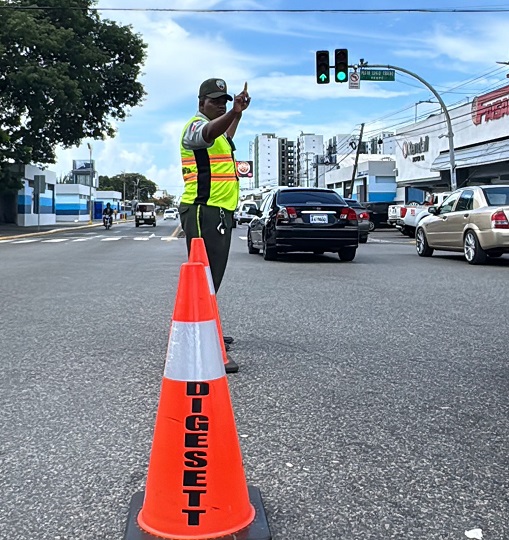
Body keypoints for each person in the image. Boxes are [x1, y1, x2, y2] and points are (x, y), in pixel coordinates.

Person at [179, 78, 250, 347]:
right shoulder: (195, 127)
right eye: (215, 101)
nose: (221, 105)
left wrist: (237, 115)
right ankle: (200, 340)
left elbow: (224, 134)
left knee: (211, 278)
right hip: (203, 210)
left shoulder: (219, 134)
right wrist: (233, 112)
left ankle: (207, 329)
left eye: (224, 101)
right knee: (202, 277)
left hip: (219, 211)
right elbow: (208, 132)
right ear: (201, 104)